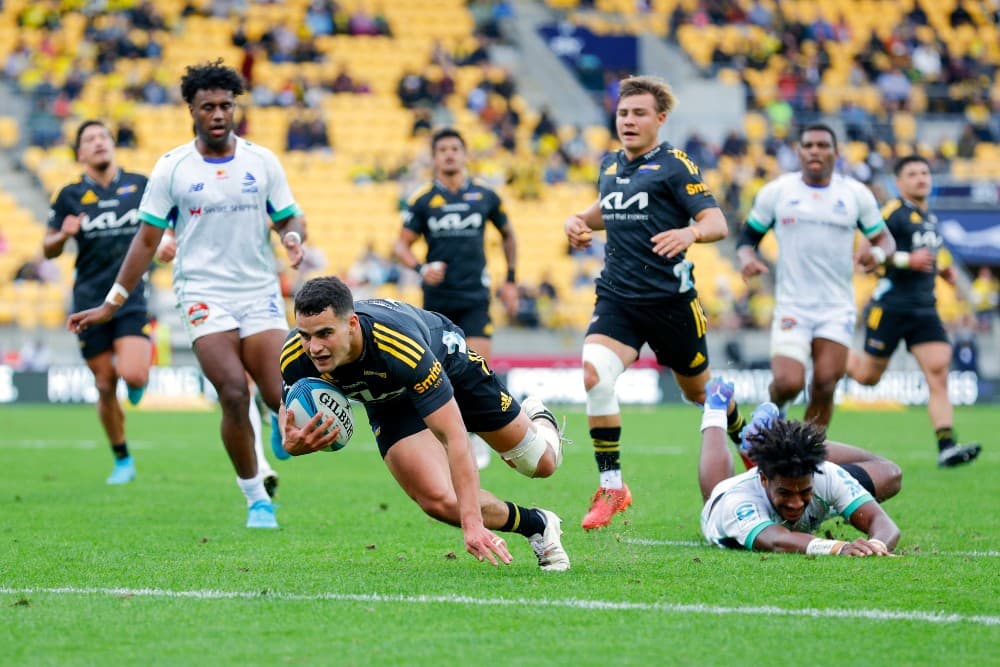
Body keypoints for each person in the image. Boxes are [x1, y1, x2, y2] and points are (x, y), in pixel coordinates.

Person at [67, 60, 306, 528]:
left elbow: (289, 216)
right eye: (207, 106)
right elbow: (146, 240)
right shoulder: (172, 167)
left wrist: (292, 236)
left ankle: (280, 419)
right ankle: (256, 494)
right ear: (192, 111)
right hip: (202, 293)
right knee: (234, 392)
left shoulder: (262, 161)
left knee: (282, 394)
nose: (218, 114)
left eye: (225, 105)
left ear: (235, 108)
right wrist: (112, 302)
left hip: (258, 292)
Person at [278, 276, 569, 571]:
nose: (313, 347)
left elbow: (454, 436)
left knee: (541, 464)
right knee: (439, 501)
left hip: (447, 366)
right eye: (305, 335)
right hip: (387, 399)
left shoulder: (398, 347)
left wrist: (472, 523)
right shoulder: (294, 354)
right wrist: (291, 442)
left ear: (352, 324)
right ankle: (538, 524)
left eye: (325, 334)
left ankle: (540, 419)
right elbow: (287, 409)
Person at [562, 74, 746, 531]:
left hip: (671, 302)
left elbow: (716, 221)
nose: (629, 120)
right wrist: (576, 221)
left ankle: (752, 442)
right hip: (619, 298)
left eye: (639, 113)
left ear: (660, 119)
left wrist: (691, 231)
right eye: (623, 113)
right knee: (593, 375)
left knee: (699, 394)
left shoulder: (675, 164)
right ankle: (612, 486)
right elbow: (607, 207)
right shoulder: (609, 165)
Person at [737, 122, 896, 427]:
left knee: (825, 383)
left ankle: (807, 456)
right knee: (788, 382)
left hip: (836, 307)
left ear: (836, 153)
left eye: (823, 145)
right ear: (798, 152)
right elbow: (747, 238)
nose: (815, 151)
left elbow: (885, 241)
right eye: (808, 145)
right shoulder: (778, 192)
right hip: (793, 304)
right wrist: (746, 257)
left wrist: (875, 255)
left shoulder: (854, 195)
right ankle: (774, 413)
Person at [394, 127, 519, 469]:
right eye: (443, 149)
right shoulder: (423, 200)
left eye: (455, 149)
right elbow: (401, 245)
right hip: (435, 303)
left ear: (465, 155)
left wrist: (510, 280)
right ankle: (442, 439)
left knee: (477, 368)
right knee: (435, 373)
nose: (449, 154)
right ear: (434, 158)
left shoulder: (485, 196)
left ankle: (475, 439)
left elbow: (508, 235)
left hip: (475, 297)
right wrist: (420, 268)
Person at [847, 156, 981, 468]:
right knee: (867, 377)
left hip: (924, 308)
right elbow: (866, 257)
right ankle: (832, 357)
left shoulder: (929, 218)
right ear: (899, 181)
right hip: (891, 305)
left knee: (938, 373)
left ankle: (946, 445)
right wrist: (908, 260)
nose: (921, 178)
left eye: (925, 172)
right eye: (913, 174)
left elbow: (928, 256)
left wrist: (942, 271)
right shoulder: (891, 213)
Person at [44, 120, 151, 485]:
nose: (98, 143)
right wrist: (63, 234)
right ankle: (123, 459)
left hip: (131, 294)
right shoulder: (69, 196)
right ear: (80, 153)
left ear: (112, 144)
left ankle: (137, 381)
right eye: (89, 139)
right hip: (89, 299)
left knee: (133, 373)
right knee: (105, 385)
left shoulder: (141, 185)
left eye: (103, 136)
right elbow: (47, 248)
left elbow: (164, 227)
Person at [698, 378, 901, 555]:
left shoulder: (826, 473)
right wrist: (839, 547)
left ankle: (772, 436)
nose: (795, 503)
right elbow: (777, 541)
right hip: (720, 501)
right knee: (715, 489)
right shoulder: (738, 502)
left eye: (805, 491)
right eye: (785, 493)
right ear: (764, 479)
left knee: (890, 474)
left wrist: (876, 545)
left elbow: (881, 521)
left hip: (800, 478)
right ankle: (716, 407)